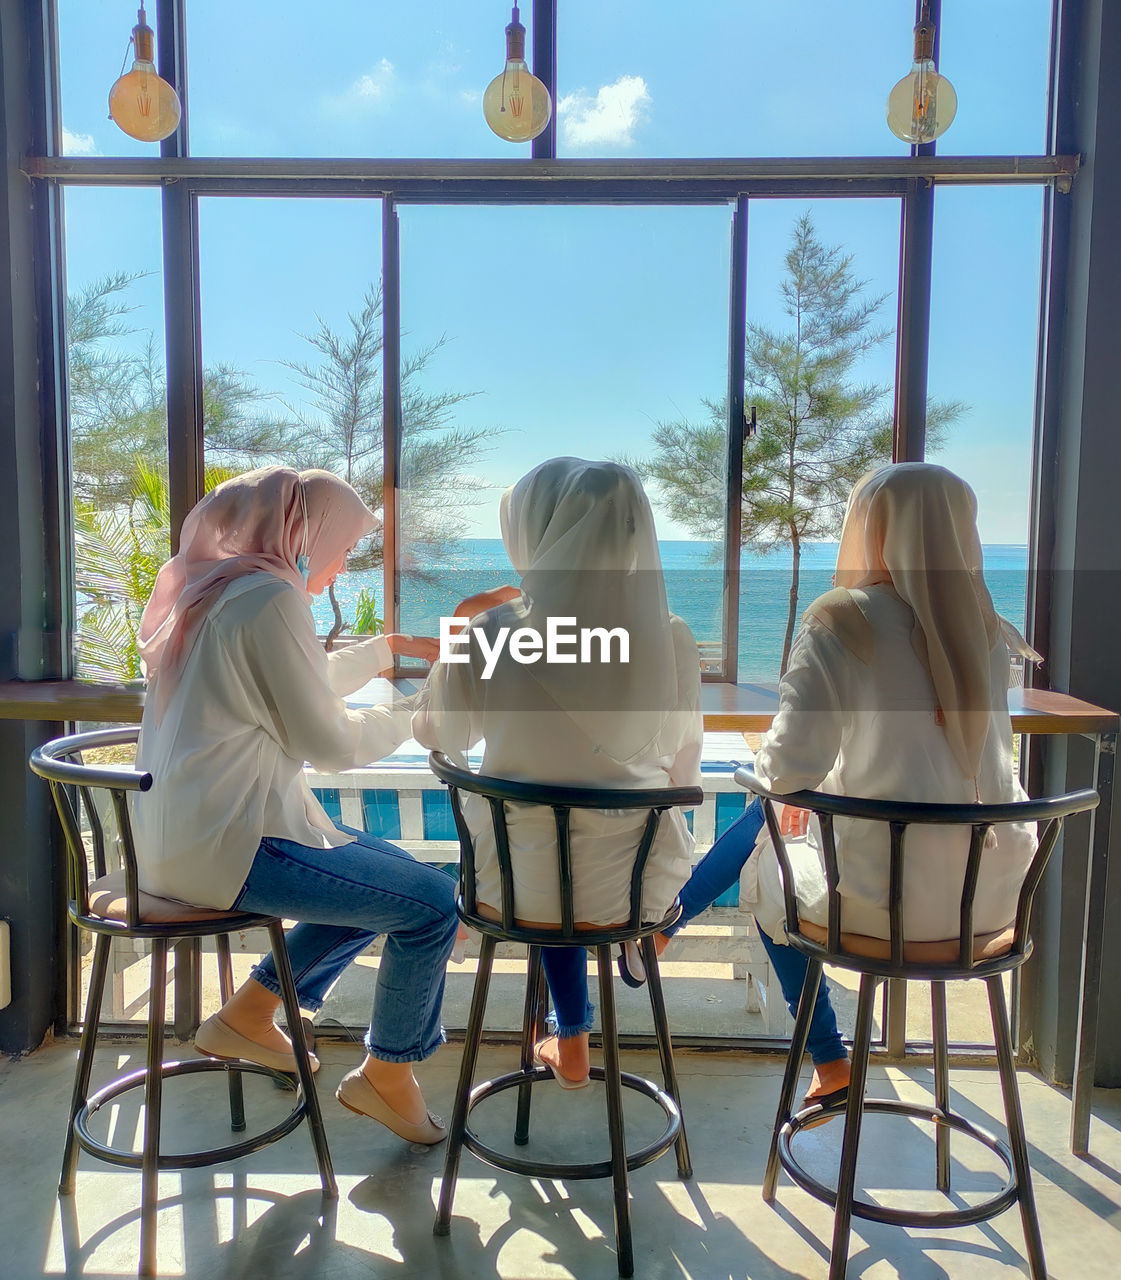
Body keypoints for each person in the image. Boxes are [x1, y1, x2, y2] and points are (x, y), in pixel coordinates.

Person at [638, 462, 1040, 1109]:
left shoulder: (843, 619)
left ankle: (815, 1047)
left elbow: (785, 768)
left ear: (868, 529)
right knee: (778, 823)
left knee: (768, 840)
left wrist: (789, 789)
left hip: (878, 902)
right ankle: (668, 935)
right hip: (984, 904)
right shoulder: (988, 630)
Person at [133, 466, 458, 1145]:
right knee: (431, 905)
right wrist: (425, 710)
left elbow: (292, 680)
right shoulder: (269, 599)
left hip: (183, 838)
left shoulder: (226, 590)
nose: (340, 570)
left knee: (390, 882)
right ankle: (387, 1075)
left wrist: (387, 650)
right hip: (237, 843)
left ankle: (250, 1014)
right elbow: (330, 742)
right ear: (303, 537)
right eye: (340, 550)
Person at [412, 458, 703, 1088]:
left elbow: (436, 735)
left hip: (514, 889)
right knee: (582, 845)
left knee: (541, 841)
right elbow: (684, 769)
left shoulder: (495, 632)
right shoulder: (672, 639)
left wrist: (469, 628)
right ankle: (629, 959)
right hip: (633, 891)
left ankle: (569, 1032)